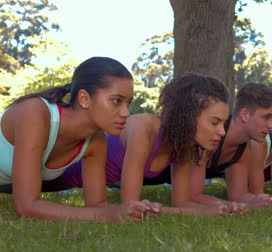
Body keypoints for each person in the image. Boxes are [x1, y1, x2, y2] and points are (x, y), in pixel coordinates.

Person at [0, 57, 159, 222]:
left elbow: (97, 205)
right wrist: (110, 216)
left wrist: (133, 209)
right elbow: (26, 207)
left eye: (128, 103)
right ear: (84, 98)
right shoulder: (34, 114)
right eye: (117, 101)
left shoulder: (96, 141)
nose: (126, 113)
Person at [60, 74, 231, 216]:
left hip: (81, 183)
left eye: (223, 123)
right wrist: (199, 212)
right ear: (188, 116)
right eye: (215, 122)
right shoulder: (143, 128)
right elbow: (130, 205)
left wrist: (219, 208)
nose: (222, 132)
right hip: (58, 173)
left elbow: (182, 202)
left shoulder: (183, 144)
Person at [189, 83, 272, 209]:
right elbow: (193, 196)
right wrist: (234, 206)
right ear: (244, 114)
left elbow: (238, 195)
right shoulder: (211, 135)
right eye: (267, 117)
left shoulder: (243, 147)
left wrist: (265, 199)